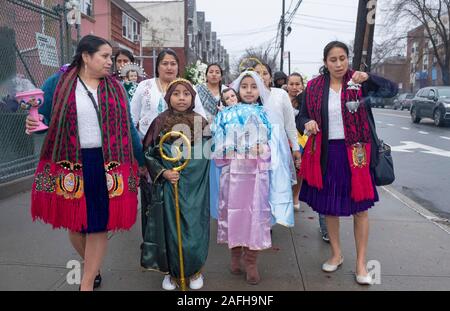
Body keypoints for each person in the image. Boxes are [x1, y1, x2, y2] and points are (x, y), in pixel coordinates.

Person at [25, 35, 145, 291]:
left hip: (107, 163)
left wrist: (144, 159)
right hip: (70, 162)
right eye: (104, 56)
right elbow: (41, 122)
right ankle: (93, 265)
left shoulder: (116, 87)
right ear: (85, 56)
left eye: (110, 57)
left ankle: (87, 282)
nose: (110, 62)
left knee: (98, 225)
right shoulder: (56, 83)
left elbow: (129, 130)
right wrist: (33, 124)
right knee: (77, 225)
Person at [296, 41, 398, 285]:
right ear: (325, 63)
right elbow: (301, 116)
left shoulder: (359, 82)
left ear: (347, 59)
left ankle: (361, 263)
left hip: (357, 152)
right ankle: (336, 254)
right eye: (333, 59)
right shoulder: (314, 87)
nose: (339, 64)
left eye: (342, 58)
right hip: (327, 152)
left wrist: (370, 77)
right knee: (329, 207)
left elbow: (391, 90)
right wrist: (307, 123)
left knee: (360, 209)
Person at [142, 78, 210, 290]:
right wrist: (164, 172)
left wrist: (183, 169)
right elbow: (148, 151)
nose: (181, 98)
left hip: (193, 186)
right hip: (168, 185)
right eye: (176, 93)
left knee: (194, 227)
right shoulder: (159, 122)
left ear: (192, 97)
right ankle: (172, 272)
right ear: (168, 97)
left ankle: (195, 269)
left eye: (186, 93)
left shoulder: (201, 122)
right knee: (169, 228)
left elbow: (204, 153)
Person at [212, 70, 272, 285]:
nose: (249, 90)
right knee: (234, 214)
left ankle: (252, 261)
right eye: (244, 86)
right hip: (234, 173)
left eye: (253, 86)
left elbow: (273, 144)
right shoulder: (225, 114)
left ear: (260, 89)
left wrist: (263, 147)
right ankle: (235, 257)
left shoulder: (264, 113)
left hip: (257, 176)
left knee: (255, 215)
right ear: (237, 89)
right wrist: (236, 148)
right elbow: (218, 145)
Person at [255, 62, 300, 227]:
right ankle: (261, 221)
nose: (261, 77)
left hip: (277, 147)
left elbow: (289, 123)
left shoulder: (280, 94)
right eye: (256, 73)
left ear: (270, 76)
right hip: (255, 149)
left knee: (276, 185)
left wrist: (295, 147)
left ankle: (271, 220)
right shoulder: (247, 96)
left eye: (264, 73)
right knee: (259, 186)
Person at [131, 49, 206, 140]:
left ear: (178, 67)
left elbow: (200, 116)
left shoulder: (189, 87)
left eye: (173, 64)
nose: (169, 67)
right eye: (165, 63)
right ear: (158, 67)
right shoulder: (144, 86)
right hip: (146, 140)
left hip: (181, 142)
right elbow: (132, 118)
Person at [194, 63, 226, 223]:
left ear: (221, 75)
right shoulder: (197, 90)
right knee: (203, 168)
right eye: (211, 72)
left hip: (222, 135)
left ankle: (219, 201)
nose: (214, 74)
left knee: (219, 170)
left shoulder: (226, 91)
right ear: (206, 74)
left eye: (217, 72)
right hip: (202, 132)